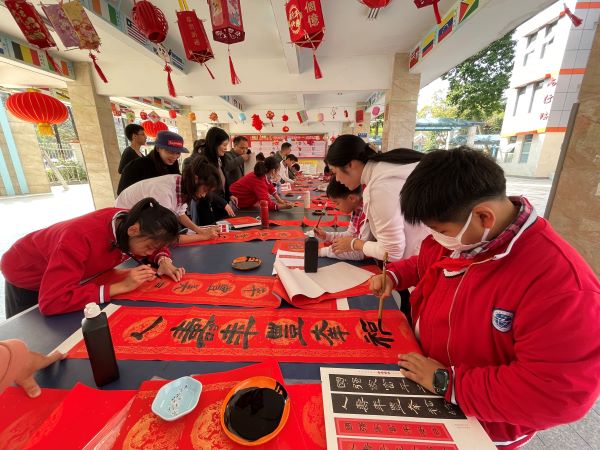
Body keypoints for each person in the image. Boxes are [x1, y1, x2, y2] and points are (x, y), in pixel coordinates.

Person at [369, 147, 600, 449]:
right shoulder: (467, 238)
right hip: (432, 385)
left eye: (441, 230)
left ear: (483, 216)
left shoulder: (563, 286)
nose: (437, 239)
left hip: (485, 424)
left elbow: (555, 394)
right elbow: (428, 261)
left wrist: (446, 382)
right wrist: (395, 275)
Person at [0, 198, 185, 317]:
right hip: (26, 271)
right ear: (132, 230)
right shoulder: (78, 239)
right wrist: (122, 286)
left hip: (68, 271)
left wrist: (163, 259)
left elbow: (153, 242)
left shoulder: (132, 221)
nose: (149, 253)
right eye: (150, 248)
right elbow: (52, 301)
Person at [325, 134, 428, 262]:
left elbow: (391, 253)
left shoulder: (378, 187)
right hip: (425, 251)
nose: (337, 180)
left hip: (421, 257)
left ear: (351, 164)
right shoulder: (385, 167)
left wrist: (354, 244)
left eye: (335, 172)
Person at [116, 157, 221, 243]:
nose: (203, 195)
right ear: (196, 179)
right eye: (205, 190)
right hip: (124, 221)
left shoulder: (181, 183)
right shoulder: (163, 192)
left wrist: (200, 230)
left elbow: (180, 213)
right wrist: (203, 236)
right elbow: (167, 238)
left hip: (139, 218)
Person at [314, 178, 371, 260]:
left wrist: (323, 252)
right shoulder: (357, 209)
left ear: (352, 198)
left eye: (337, 203)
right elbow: (351, 234)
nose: (336, 207)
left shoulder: (368, 215)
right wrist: (327, 236)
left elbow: (363, 253)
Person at [117, 131, 188, 194]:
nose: (175, 156)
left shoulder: (173, 166)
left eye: (178, 153)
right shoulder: (138, 166)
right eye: (171, 152)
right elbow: (122, 194)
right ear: (158, 148)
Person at [196, 127, 238, 225]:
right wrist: (223, 203)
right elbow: (204, 190)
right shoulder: (203, 162)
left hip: (220, 206)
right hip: (209, 208)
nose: (226, 148)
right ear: (214, 144)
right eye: (224, 145)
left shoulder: (219, 159)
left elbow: (223, 180)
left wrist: (229, 194)